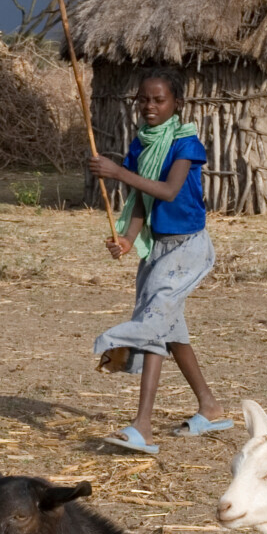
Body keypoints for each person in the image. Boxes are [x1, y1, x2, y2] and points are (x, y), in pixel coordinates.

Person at [87, 68, 231, 454]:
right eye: (144, 99)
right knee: (169, 331)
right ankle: (211, 407)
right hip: (158, 250)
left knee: (151, 326)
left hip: (188, 248)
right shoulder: (141, 144)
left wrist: (118, 172)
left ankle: (143, 426)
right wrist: (128, 240)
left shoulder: (186, 144)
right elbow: (140, 201)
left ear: (176, 104)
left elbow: (166, 191)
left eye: (159, 100)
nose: (150, 106)